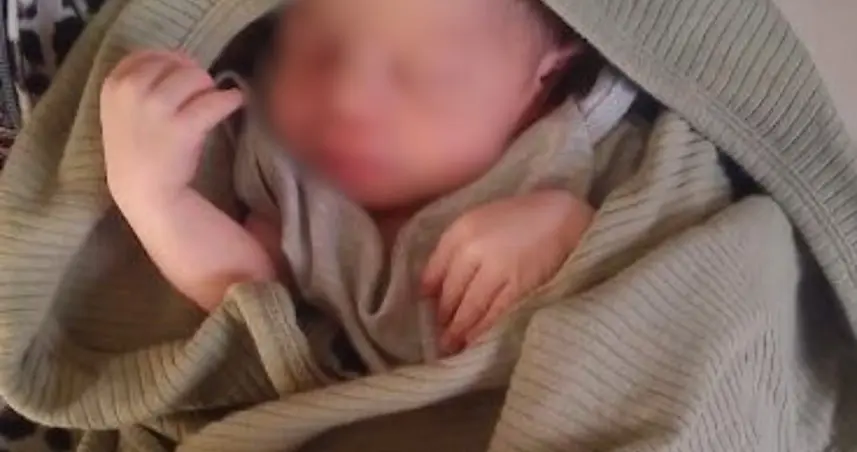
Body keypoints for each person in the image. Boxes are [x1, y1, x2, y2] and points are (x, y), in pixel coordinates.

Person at [99, 0, 596, 355]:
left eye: (423, 73)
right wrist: (155, 199)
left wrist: (576, 229)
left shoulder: (569, 155)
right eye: (316, 53)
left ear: (544, 80)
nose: (347, 101)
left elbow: (643, 273)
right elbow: (251, 296)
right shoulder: (290, 177)